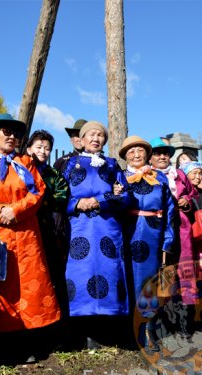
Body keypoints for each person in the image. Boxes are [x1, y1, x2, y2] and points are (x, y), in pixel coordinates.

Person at [0, 113, 60, 361]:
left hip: (27, 234)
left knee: (29, 288)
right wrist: (0, 212)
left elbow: (38, 192)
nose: (11, 136)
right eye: (5, 132)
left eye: (15, 133)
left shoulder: (26, 163)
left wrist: (16, 210)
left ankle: (26, 342)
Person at [62, 120, 131, 348]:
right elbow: (59, 196)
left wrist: (99, 200)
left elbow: (125, 197)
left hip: (107, 229)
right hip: (79, 229)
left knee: (108, 274)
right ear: (81, 140)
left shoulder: (112, 165)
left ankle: (107, 331)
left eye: (100, 135)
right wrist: (77, 203)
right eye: (91, 134)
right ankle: (81, 332)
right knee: (80, 276)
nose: (96, 138)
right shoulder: (69, 164)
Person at [119, 136, 174, 350]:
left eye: (140, 150)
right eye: (131, 152)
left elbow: (170, 210)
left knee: (148, 284)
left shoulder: (160, 178)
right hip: (127, 234)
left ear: (147, 154)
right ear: (125, 156)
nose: (136, 155)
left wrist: (168, 240)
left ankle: (149, 332)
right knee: (128, 283)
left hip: (152, 235)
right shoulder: (120, 177)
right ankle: (129, 332)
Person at [149, 137, 199, 337]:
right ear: (150, 157)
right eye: (158, 153)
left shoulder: (179, 174)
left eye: (166, 153)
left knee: (185, 272)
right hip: (158, 230)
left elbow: (194, 194)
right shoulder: (147, 175)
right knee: (164, 274)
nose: (162, 156)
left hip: (182, 229)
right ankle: (165, 324)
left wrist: (186, 199)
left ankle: (185, 324)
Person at [25, 129, 70, 316]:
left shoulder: (54, 175)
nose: (43, 151)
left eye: (47, 148)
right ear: (29, 150)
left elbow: (61, 197)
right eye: (39, 147)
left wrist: (37, 201)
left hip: (48, 229)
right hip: (25, 228)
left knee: (51, 273)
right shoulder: (20, 169)